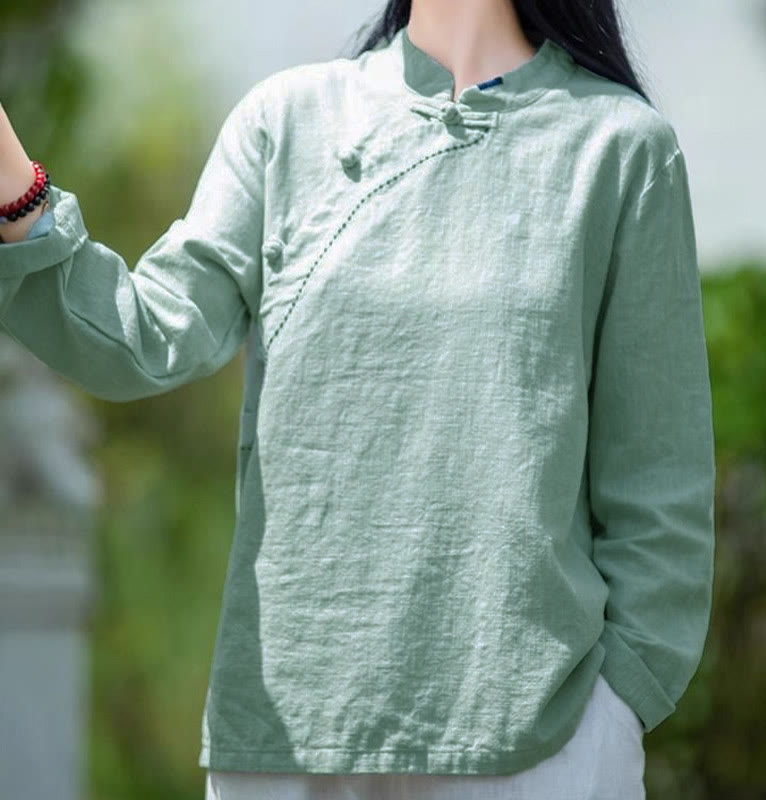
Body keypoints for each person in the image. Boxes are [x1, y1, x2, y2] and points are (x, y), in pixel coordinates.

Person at [0, 0, 716, 797]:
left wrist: (615, 712)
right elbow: (140, 339)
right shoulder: (285, 125)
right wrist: (12, 187)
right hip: (282, 745)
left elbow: (660, 484)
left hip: (538, 746)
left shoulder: (620, 148)